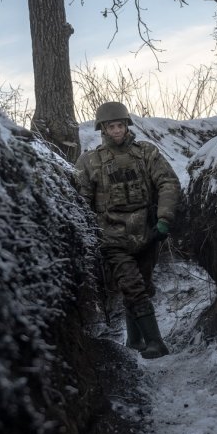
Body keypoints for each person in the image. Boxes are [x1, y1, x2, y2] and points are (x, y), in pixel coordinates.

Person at [75, 102, 180, 359]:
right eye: (111, 126)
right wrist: (88, 237)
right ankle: (156, 342)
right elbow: (81, 201)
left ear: (126, 125)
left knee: (142, 286)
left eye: (120, 125)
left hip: (146, 233)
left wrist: (164, 219)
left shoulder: (146, 153)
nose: (117, 130)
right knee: (132, 287)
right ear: (103, 129)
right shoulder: (90, 161)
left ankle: (134, 340)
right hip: (112, 237)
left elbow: (168, 182)